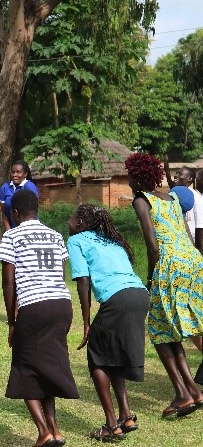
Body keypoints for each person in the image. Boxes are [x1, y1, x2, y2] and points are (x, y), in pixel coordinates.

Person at [0, 189, 78, 447]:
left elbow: (8, 282)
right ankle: (55, 430)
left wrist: (12, 320)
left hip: (34, 306)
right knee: (48, 367)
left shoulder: (11, 235)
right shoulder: (55, 235)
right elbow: (61, 272)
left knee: (25, 367)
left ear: (16, 213)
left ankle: (43, 431)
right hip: (62, 304)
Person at [125, 153, 203, 417]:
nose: (127, 180)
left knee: (158, 331)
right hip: (192, 261)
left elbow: (152, 245)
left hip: (169, 264)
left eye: (129, 175)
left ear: (137, 177)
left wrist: (150, 279)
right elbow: (185, 233)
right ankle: (192, 391)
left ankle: (183, 394)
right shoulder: (172, 198)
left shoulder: (141, 200)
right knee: (169, 329)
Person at [67, 204, 149, 441]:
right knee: (112, 355)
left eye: (71, 218)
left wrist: (86, 323)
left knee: (97, 358)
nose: (69, 222)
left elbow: (82, 280)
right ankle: (127, 415)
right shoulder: (111, 239)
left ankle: (112, 425)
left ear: (81, 223)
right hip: (139, 295)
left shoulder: (77, 240)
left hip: (118, 299)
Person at [0, 159, 38, 231]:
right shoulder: (5, 187)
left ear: (25, 174)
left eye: (18, 172)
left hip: (29, 229)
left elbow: (33, 212)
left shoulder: (29, 187)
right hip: (12, 230)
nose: (14, 175)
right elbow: (4, 213)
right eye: (13, 172)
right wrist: (9, 232)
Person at [171, 166, 203, 253]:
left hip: (188, 237)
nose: (176, 175)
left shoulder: (192, 196)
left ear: (190, 179)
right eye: (176, 173)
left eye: (180, 174)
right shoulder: (178, 192)